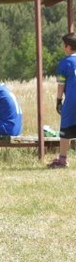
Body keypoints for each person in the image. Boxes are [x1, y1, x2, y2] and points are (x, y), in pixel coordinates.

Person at [48, 33, 76, 169]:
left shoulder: (64, 63)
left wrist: (58, 101)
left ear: (68, 47)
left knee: (66, 129)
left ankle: (63, 160)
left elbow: (61, 85)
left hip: (71, 101)